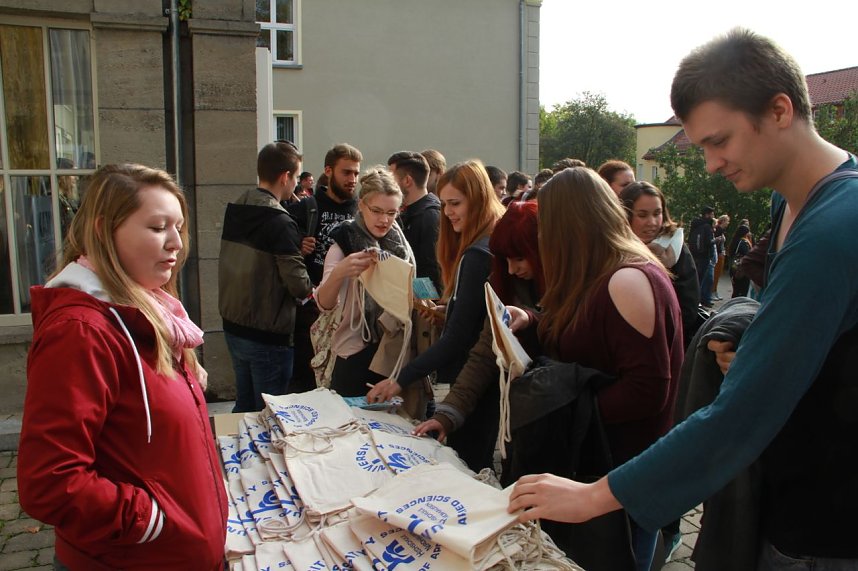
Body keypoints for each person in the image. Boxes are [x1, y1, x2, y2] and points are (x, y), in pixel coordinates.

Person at [509, 28, 858, 570]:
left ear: (780, 110)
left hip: (828, 521)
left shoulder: (834, 225)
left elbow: (743, 410)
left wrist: (595, 495)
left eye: (720, 141)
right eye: (702, 148)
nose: (712, 163)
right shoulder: (790, 204)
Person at [18, 164, 227, 570]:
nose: (176, 244)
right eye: (157, 227)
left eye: (179, 227)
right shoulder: (81, 332)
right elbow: (50, 482)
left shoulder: (152, 312)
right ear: (103, 230)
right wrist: (149, 520)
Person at [507, 167, 683, 570]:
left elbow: (648, 390)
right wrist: (531, 322)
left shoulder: (628, 280)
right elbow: (585, 338)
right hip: (599, 465)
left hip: (620, 471)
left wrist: (564, 409)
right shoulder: (598, 272)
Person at [367, 160, 505, 470]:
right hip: (482, 382)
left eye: (455, 203)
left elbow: (459, 339)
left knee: (468, 465)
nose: (448, 212)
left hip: (474, 384)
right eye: (444, 204)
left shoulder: (477, 254)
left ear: (480, 199)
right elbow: (476, 319)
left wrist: (400, 379)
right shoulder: (485, 243)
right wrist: (452, 310)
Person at [412, 201, 545, 461]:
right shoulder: (502, 281)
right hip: (523, 418)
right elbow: (485, 352)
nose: (512, 269)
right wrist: (447, 413)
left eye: (519, 258)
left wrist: (532, 320)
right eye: (506, 260)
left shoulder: (570, 285)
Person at [219, 141, 313, 411]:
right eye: (296, 177)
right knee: (270, 415)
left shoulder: (238, 206)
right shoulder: (279, 220)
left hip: (234, 325)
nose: (296, 184)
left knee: (244, 407)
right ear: (285, 177)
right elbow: (298, 284)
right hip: (267, 333)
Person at [314, 167, 414, 396]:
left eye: (391, 213)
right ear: (361, 205)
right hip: (354, 354)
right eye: (377, 210)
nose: (384, 220)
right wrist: (340, 272)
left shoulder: (401, 246)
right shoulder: (343, 242)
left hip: (393, 353)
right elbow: (323, 304)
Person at [285, 144, 361, 393]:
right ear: (328, 171)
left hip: (348, 314)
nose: (352, 180)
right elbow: (280, 252)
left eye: (356, 174)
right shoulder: (306, 208)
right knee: (308, 384)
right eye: (346, 172)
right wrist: (297, 246)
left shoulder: (362, 211)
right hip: (311, 312)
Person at [619, 181, 700, 348]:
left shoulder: (675, 249)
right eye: (642, 215)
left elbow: (688, 306)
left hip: (666, 344)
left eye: (657, 213)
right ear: (624, 215)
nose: (652, 222)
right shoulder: (613, 248)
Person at [388, 150, 442, 292]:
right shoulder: (408, 212)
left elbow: (430, 270)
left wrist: (424, 304)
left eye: (390, 178)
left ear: (407, 181)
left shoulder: (429, 216)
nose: (387, 184)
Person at [688, 205, 716, 306]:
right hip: (704, 256)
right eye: (712, 214)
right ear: (707, 214)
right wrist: (716, 240)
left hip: (694, 254)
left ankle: (693, 301)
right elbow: (708, 242)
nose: (713, 216)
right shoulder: (707, 226)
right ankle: (697, 302)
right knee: (703, 280)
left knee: (696, 279)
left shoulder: (695, 224)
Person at [730, 225, 754, 298]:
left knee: (736, 290)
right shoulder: (743, 242)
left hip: (735, 267)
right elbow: (746, 254)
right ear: (745, 233)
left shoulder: (735, 240)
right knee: (742, 290)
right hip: (742, 268)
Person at [712, 214, 731, 300]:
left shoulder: (721, 230)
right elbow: (716, 243)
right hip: (718, 254)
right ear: (723, 221)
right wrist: (720, 252)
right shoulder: (718, 229)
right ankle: (712, 291)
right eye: (727, 221)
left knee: (718, 274)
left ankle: (715, 291)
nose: (728, 223)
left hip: (721, 254)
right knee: (716, 274)